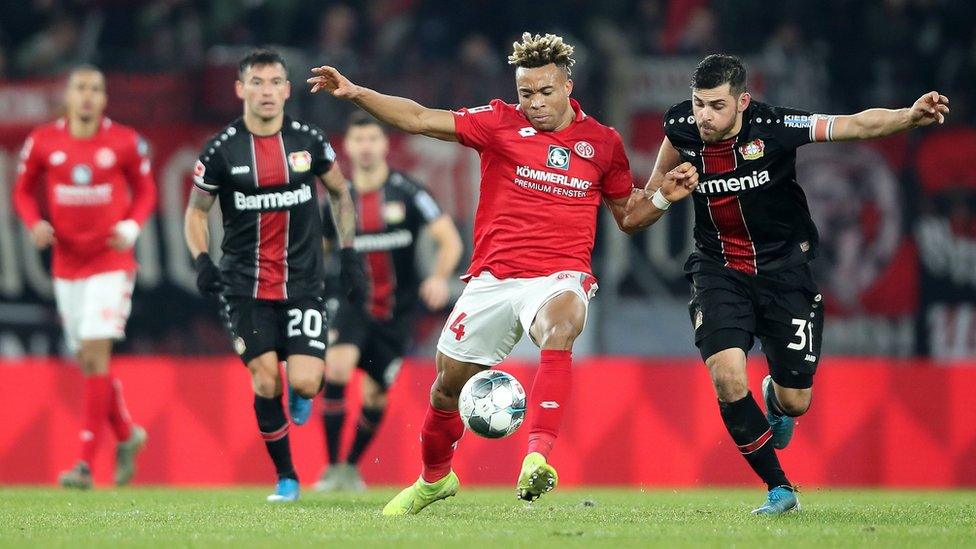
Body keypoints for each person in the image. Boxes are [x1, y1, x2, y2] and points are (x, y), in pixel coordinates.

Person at [308, 32, 695, 514]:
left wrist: (660, 197)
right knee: (446, 388)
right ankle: (433, 481)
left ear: (568, 85)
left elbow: (629, 217)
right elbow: (420, 118)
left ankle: (537, 457)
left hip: (559, 275)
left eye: (545, 92)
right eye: (526, 93)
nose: (535, 103)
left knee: (563, 323)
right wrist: (358, 92)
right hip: (492, 279)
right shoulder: (497, 122)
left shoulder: (604, 143)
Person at [626, 54, 949, 514]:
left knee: (796, 401)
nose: (704, 116)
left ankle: (776, 404)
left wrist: (908, 116)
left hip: (785, 273)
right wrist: (664, 195)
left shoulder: (776, 125)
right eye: (699, 103)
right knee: (726, 374)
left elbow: (854, 125)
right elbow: (645, 206)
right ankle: (780, 490)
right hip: (719, 270)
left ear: (743, 102)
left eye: (716, 105)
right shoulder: (678, 127)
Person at [183, 49, 365, 502]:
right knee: (265, 379)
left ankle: (303, 389)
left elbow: (341, 195)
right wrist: (200, 258)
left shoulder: (309, 141)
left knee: (304, 381)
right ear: (241, 89)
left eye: (275, 82)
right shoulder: (221, 150)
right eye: (257, 82)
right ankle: (287, 477)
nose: (267, 91)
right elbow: (196, 211)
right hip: (244, 285)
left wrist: (349, 252)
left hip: (303, 283)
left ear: (287, 89)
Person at [13, 65, 155, 489]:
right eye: (81, 88)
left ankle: (84, 464)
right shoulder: (43, 141)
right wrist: (34, 222)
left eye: (96, 89)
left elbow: (146, 190)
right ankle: (128, 434)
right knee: (89, 362)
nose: (88, 96)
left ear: (105, 99)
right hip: (66, 265)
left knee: (95, 353)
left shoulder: (125, 141)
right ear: (69, 95)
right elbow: (22, 190)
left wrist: (132, 226)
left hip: (111, 263)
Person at [314, 112, 463, 492]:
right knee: (337, 368)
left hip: (397, 311)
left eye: (372, 140)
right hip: (351, 303)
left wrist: (439, 276)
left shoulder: (410, 192)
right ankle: (331, 467)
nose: (365, 147)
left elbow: (450, 240)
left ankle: (350, 466)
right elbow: (319, 251)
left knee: (376, 394)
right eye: (358, 140)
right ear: (347, 147)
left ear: (384, 146)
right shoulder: (337, 199)